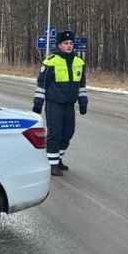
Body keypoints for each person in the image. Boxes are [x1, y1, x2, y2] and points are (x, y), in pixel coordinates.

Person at [32, 30, 88, 176]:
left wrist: (83, 101)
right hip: (54, 104)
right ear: (59, 45)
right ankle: (52, 164)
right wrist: (38, 103)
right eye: (66, 43)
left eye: (71, 43)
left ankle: (58, 159)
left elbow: (82, 85)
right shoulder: (50, 61)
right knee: (55, 134)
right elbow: (41, 84)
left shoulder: (79, 62)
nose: (69, 46)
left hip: (69, 105)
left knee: (68, 133)